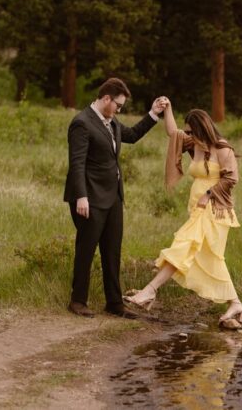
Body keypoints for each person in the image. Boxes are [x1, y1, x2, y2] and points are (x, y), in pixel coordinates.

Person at [125, 105, 242, 324]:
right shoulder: (194, 145)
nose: (187, 135)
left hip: (214, 209)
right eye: (187, 131)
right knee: (210, 258)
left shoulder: (222, 149)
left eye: (191, 131)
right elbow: (173, 133)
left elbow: (231, 179)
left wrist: (208, 194)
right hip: (197, 209)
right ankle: (235, 303)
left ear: (203, 128)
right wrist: (168, 109)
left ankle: (150, 290)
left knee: (183, 245)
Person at [63, 78, 168, 319]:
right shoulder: (81, 123)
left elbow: (130, 135)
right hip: (89, 198)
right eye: (118, 105)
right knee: (86, 249)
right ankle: (78, 301)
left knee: (112, 251)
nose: (119, 110)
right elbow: (76, 163)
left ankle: (114, 304)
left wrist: (153, 114)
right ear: (106, 98)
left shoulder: (112, 122)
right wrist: (81, 196)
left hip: (113, 197)